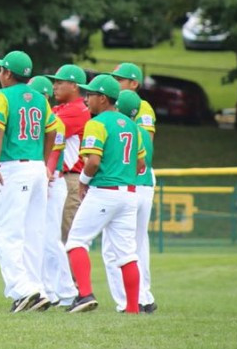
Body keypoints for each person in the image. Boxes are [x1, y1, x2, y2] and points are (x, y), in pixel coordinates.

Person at [0, 51, 63, 313]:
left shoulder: (1, 96)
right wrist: (43, 161)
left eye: (1, 69)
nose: (0, 74)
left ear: (7, 73)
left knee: (6, 231)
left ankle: (23, 290)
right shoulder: (40, 98)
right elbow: (52, 130)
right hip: (37, 168)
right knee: (33, 232)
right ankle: (37, 289)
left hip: (13, 167)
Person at [64, 74, 146, 314]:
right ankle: (133, 307)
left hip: (104, 191)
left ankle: (85, 295)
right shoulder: (131, 125)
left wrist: (83, 181)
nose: (86, 98)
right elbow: (141, 163)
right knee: (127, 254)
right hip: (129, 194)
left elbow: (93, 161)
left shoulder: (97, 123)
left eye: (90, 94)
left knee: (76, 241)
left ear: (102, 98)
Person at [103, 89, 158, 314]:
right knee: (138, 245)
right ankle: (144, 297)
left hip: (128, 188)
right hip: (146, 187)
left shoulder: (117, 129)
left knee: (113, 249)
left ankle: (127, 302)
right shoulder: (142, 131)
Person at [29, 75, 74, 309]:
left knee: (50, 239)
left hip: (53, 181)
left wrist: (45, 175)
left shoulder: (55, 121)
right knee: (40, 237)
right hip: (43, 180)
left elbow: (54, 154)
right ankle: (48, 290)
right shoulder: (37, 120)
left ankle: (67, 291)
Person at [46, 64, 91, 243]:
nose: (54, 86)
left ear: (74, 86)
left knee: (68, 238)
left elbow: (44, 132)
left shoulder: (76, 110)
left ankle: (75, 264)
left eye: (59, 82)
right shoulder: (62, 108)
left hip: (71, 179)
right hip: (63, 178)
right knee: (55, 235)